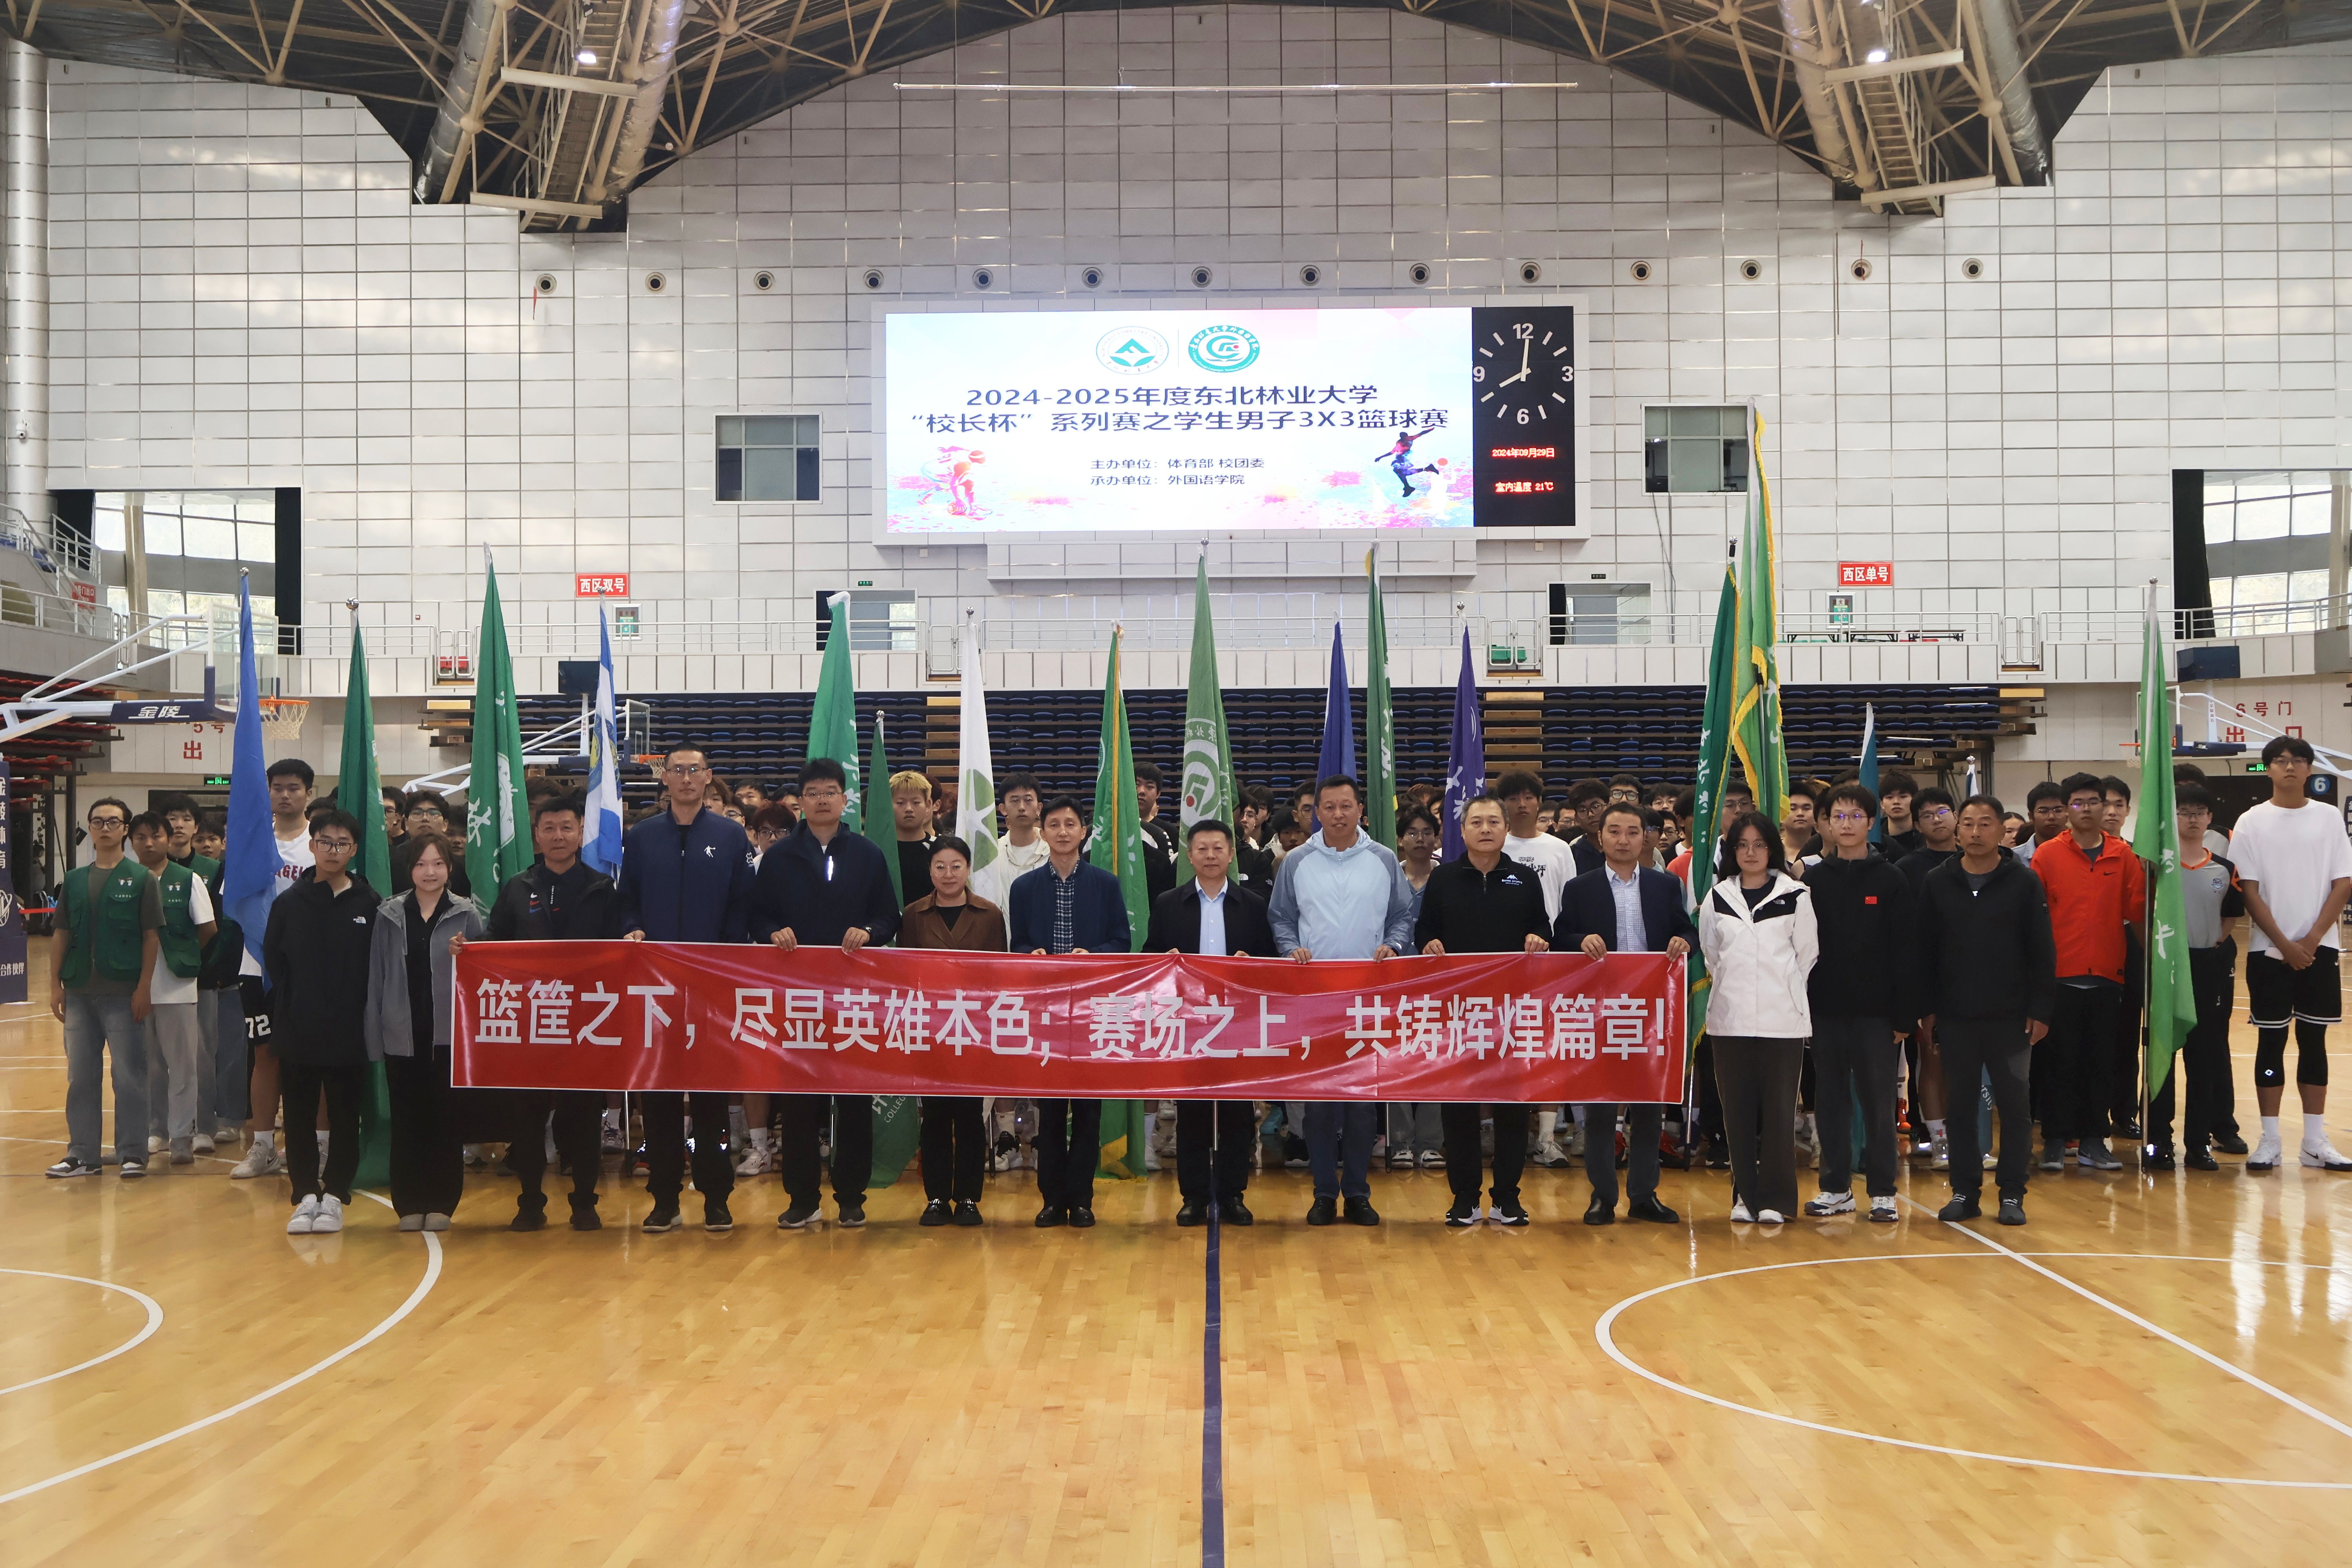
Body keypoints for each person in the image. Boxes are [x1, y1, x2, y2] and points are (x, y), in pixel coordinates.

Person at [749, 757, 902, 1228]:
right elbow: (757, 916)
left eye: (830, 792)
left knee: (853, 1100)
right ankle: (802, 1198)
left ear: (844, 798)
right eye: (812, 793)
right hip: (796, 996)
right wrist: (772, 931)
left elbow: (889, 916)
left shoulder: (868, 854)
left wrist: (870, 932)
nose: (821, 800)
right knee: (799, 1103)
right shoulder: (779, 857)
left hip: (853, 997)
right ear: (801, 801)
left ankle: (852, 1195)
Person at [617, 746, 757, 1232]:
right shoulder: (642, 837)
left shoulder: (729, 835)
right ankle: (664, 1199)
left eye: (694, 770)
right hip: (655, 986)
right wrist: (633, 928)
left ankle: (716, 1197)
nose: (685, 778)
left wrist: (725, 953)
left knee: (710, 1097)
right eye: (677, 770)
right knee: (659, 1096)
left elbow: (743, 902)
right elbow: (627, 899)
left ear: (708, 777)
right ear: (666, 779)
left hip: (711, 984)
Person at [1268, 775, 1416, 1227]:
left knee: (1361, 1106)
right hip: (1315, 998)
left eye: (1346, 806)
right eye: (1329, 807)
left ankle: (1357, 1193)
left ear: (1360, 810)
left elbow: (1403, 914)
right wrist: (1290, 948)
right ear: (1317, 812)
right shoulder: (1296, 861)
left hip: (1368, 997)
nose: (1337, 814)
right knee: (1318, 1106)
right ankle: (1322, 1193)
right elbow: (1281, 917)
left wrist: (1394, 944)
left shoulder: (1383, 859)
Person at [475, 796, 621, 1229]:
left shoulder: (602, 887)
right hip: (532, 1020)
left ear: (580, 832)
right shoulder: (518, 887)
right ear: (537, 836)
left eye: (567, 827)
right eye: (549, 828)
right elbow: (495, 939)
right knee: (528, 1116)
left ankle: (585, 1203)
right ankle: (530, 1203)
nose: (558, 836)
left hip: (585, 1020)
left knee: (583, 1116)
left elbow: (619, 949)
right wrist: (470, 951)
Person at [1555, 801, 1698, 1225]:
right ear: (1600, 838)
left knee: (1649, 1107)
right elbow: (1561, 937)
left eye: (1633, 832)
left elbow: (1686, 930)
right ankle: (1602, 1196)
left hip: (1651, 1011)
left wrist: (1685, 942)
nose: (1623, 840)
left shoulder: (1664, 885)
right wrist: (1581, 940)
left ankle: (1644, 1195)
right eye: (1614, 832)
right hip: (1600, 1011)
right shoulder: (1580, 888)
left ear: (1646, 838)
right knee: (1601, 1109)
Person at [1916, 796, 2057, 1224]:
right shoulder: (1937, 882)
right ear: (1957, 830)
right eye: (1968, 824)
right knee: (1961, 1107)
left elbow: (2042, 950)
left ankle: (2012, 1194)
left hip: (2011, 1017)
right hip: (1956, 1016)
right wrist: (1927, 1008)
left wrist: (2041, 1009)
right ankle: (1964, 1192)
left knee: (2014, 1108)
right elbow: (1924, 951)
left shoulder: (2023, 881)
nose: (1976, 832)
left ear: (2001, 830)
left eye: (1985, 824)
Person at [1413, 794, 1551, 1227]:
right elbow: (1424, 930)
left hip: (1513, 1009)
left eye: (1494, 821)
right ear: (1462, 831)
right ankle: (1465, 1198)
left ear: (1506, 828)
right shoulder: (1444, 878)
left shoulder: (1524, 878)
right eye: (1477, 822)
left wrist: (1538, 938)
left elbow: (1543, 927)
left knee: (1513, 1105)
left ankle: (1507, 1197)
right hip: (1459, 1011)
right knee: (1459, 1105)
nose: (1486, 829)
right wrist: (1429, 944)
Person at [2226, 735, 2352, 1171]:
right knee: (2271, 1041)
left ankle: (2315, 1140)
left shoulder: (2329, 817)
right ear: (2269, 769)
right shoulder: (2251, 821)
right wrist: (2283, 944)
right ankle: (2271, 1139)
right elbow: (2248, 889)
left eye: (2299, 760)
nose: (2291, 767)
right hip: (2269, 951)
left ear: (2310, 769)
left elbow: (2343, 882)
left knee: (2314, 1042)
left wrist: (2312, 940)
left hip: (2320, 950)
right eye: (2281, 761)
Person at [1146, 820, 1279, 1226]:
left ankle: (1233, 1193)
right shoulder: (1169, 903)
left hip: (1236, 1022)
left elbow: (1271, 961)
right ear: (1189, 856)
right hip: (1187, 1022)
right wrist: (1164, 959)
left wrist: (1252, 965)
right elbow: (1149, 955)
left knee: (1237, 1113)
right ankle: (1194, 1196)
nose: (1209, 856)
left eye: (1218, 848)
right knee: (1194, 1113)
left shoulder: (1252, 904)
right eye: (1201, 849)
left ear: (1231, 854)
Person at [1007, 796, 1132, 1227]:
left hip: (1092, 1011)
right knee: (1051, 1111)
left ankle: (1081, 1199)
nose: (1063, 832)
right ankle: (1051, 1199)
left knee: (1087, 1111)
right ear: (1042, 832)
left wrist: (1093, 956)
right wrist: (1032, 954)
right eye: (1055, 824)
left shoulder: (1106, 884)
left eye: (1071, 824)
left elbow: (1122, 941)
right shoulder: (1024, 887)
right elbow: (1018, 944)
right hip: (1046, 1012)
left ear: (1084, 832)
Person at [1798, 784, 1915, 1223]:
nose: (1846, 825)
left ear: (1871, 822)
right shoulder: (1813, 881)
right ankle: (1835, 1188)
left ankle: (1883, 1191)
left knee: (1879, 1104)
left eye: (1855, 816)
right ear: (1826, 824)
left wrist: (1904, 1014)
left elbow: (1906, 951)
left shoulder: (1891, 878)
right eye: (1838, 817)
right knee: (1830, 1102)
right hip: (1825, 1012)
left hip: (1877, 1015)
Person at [1696, 812, 1817, 1224]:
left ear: (1772, 849)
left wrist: (1780, 988)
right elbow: (1712, 955)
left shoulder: (1796, 895)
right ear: (1732, 851)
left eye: (1759, 845)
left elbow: (1807, 956)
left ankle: (1777, 1201)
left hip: (1782, 1023)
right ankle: (1745, 1197)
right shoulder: (1718, 897)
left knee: (1780, 1116)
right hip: (1730, 1022)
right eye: (1742, 845)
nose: (1751, 853)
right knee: (1738, 1116)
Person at [263, 810, 379, 1234]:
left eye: (342, 843)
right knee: (298, 1117)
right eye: (326, 842)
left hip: (351, 1031)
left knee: (346, 1117)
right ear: (312, 846)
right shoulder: (289, 903)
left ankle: (336, 1194)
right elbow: (275, 961)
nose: (333, 850)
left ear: (354, 849)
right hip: (300, 1028)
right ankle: (305, 1194)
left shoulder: (370, 902)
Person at [363, 830, 483, 1231]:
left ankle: (443, 1202)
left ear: (450, 868)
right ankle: (409, 1202)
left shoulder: (466, 913)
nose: (429, 872)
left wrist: (467, 956)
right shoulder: (389, 914)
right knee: (407, 1121)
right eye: (420, 864)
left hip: (449, 1037)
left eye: (438, 864)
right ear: (409, 869)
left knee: (445, 1121)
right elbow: (377, 977)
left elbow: (483, 976)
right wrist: (374, 1035)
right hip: (401, 1034)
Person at [2029, 772, 2145, 1174]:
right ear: (2067, 810)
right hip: (2059, 976)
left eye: (2095, 802)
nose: (2088, 809)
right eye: (2077, 803)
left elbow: (2137, 912)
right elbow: (2034, 918)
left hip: (2108, 976)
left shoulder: (2123, 856)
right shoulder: (2048, 856)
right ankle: (2055, 1141)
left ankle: (2095, 1141)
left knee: (2102, 1063)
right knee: (2057, 1063)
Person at [45, 799, 160, 1180]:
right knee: (80, 1076)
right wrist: (55, 984)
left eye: (113, 822)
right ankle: (82, 1155)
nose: (105, 828)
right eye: (98, 822)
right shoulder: (75, 879)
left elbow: (151, 937)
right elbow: (61, 933)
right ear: (90, 828)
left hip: (124, 992)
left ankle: (132, 1153)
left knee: (129, 1076)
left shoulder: (142, 879)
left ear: (125, 829)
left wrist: (144, 987)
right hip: (79, 991)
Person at [898, 835, 1005, 1227]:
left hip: (974, 1029)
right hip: (930, 1030)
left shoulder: (989, 914)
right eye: (940, 866)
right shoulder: (914, 914)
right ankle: (937, 1197)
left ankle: (969, 1198)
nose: (948, 874)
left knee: (971, 1117)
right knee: (935, 1118)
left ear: (968, 869)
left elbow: (1000, 975)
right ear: (930, 871)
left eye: (956, 866)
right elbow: (905, 973)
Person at [228, 758, 320, 1180]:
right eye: (278, 787)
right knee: (265, 1055)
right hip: (256, 965)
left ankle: (319, 1146)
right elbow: (237, 901)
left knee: (315, 1059)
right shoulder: (252, 841)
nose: (285, 795)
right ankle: (263, 1146)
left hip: (308, 967)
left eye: (294, 788)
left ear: (309, 794)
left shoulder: (319, 842)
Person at [2146, 785, 2243, 1171]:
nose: (2192, 819)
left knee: (2204, 1058)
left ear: (2209, 819)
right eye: (2184, 812)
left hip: (2206, 967)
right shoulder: (2158, 866)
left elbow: (2231, 914)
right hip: (2167, 967)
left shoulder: (2224, 869)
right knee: (2164, 1056)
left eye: (2199, 812)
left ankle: (2199, 1143)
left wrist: (2214, 944)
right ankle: (2159, 1141)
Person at [128, 812, 217, 1165]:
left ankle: (182, 1136)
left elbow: (208, 928)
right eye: (141, 837)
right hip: (130, 989)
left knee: (182, 1067)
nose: (149, 843)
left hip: (177, 988)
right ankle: (154, 1130)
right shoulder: (124, 879)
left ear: (169, 840)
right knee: (144, 1067)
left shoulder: (188, 879)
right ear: (131, 842)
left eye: (156, 836)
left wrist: (182, 957)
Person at [1385, 803, 1446, 1170]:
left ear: (1437, 839)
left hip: (1438, 985)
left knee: (1434, 1060)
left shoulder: (1449, 878)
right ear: (1400, 840)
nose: (1420, 839)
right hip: (1393, 983)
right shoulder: (1388, 878)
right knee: (1396, 1059)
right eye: (1412, 833)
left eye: (1427, 833)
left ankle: (1431, 1142)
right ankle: (1400, 1141)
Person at [972, 771, 1049, 906]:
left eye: (1028, 800)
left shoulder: (1052, 852)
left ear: (1039, 808)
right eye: (1014, 801)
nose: (1022, 808)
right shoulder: (992, 854)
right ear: (1003, 809)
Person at [889, 770, 941, 905]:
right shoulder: (878, 850)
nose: (909, 809)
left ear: (928, 805)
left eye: (916, 802)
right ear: (889, 805)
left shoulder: (941, 849)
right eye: (900, 803)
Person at [1134, 761, 1180, 903]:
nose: (1142, 791)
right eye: (1137, 784)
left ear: (1158, 794)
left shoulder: (1169, 833)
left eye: (1150, 787)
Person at [1895, 788, 1960, 887]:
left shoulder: (1971, 858)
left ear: (1955, 817)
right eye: (1928, 816)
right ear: (1918, 826)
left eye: (1942, 812)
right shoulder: (1906, 868)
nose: (1937, 820)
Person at [2013, 780, 2068, 865]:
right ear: (2031, 816)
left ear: (2067, 813)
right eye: (2043, 811)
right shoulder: (2014, 858)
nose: (2052, 817)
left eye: (2058, 811)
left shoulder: (2081, 852)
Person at [1878, 770, 1924, 854]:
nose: (1896, 802)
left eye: (1903, 797)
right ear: (1882, 804)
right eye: (1890, 797)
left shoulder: (1927, 835)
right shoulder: (1873, 838)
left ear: (1915, 800)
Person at [1780, 781, 1822, 863]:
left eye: (1807, 809)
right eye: (1792, 809)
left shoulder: (1825, 850)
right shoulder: (1772, 850)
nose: (1800, 813)